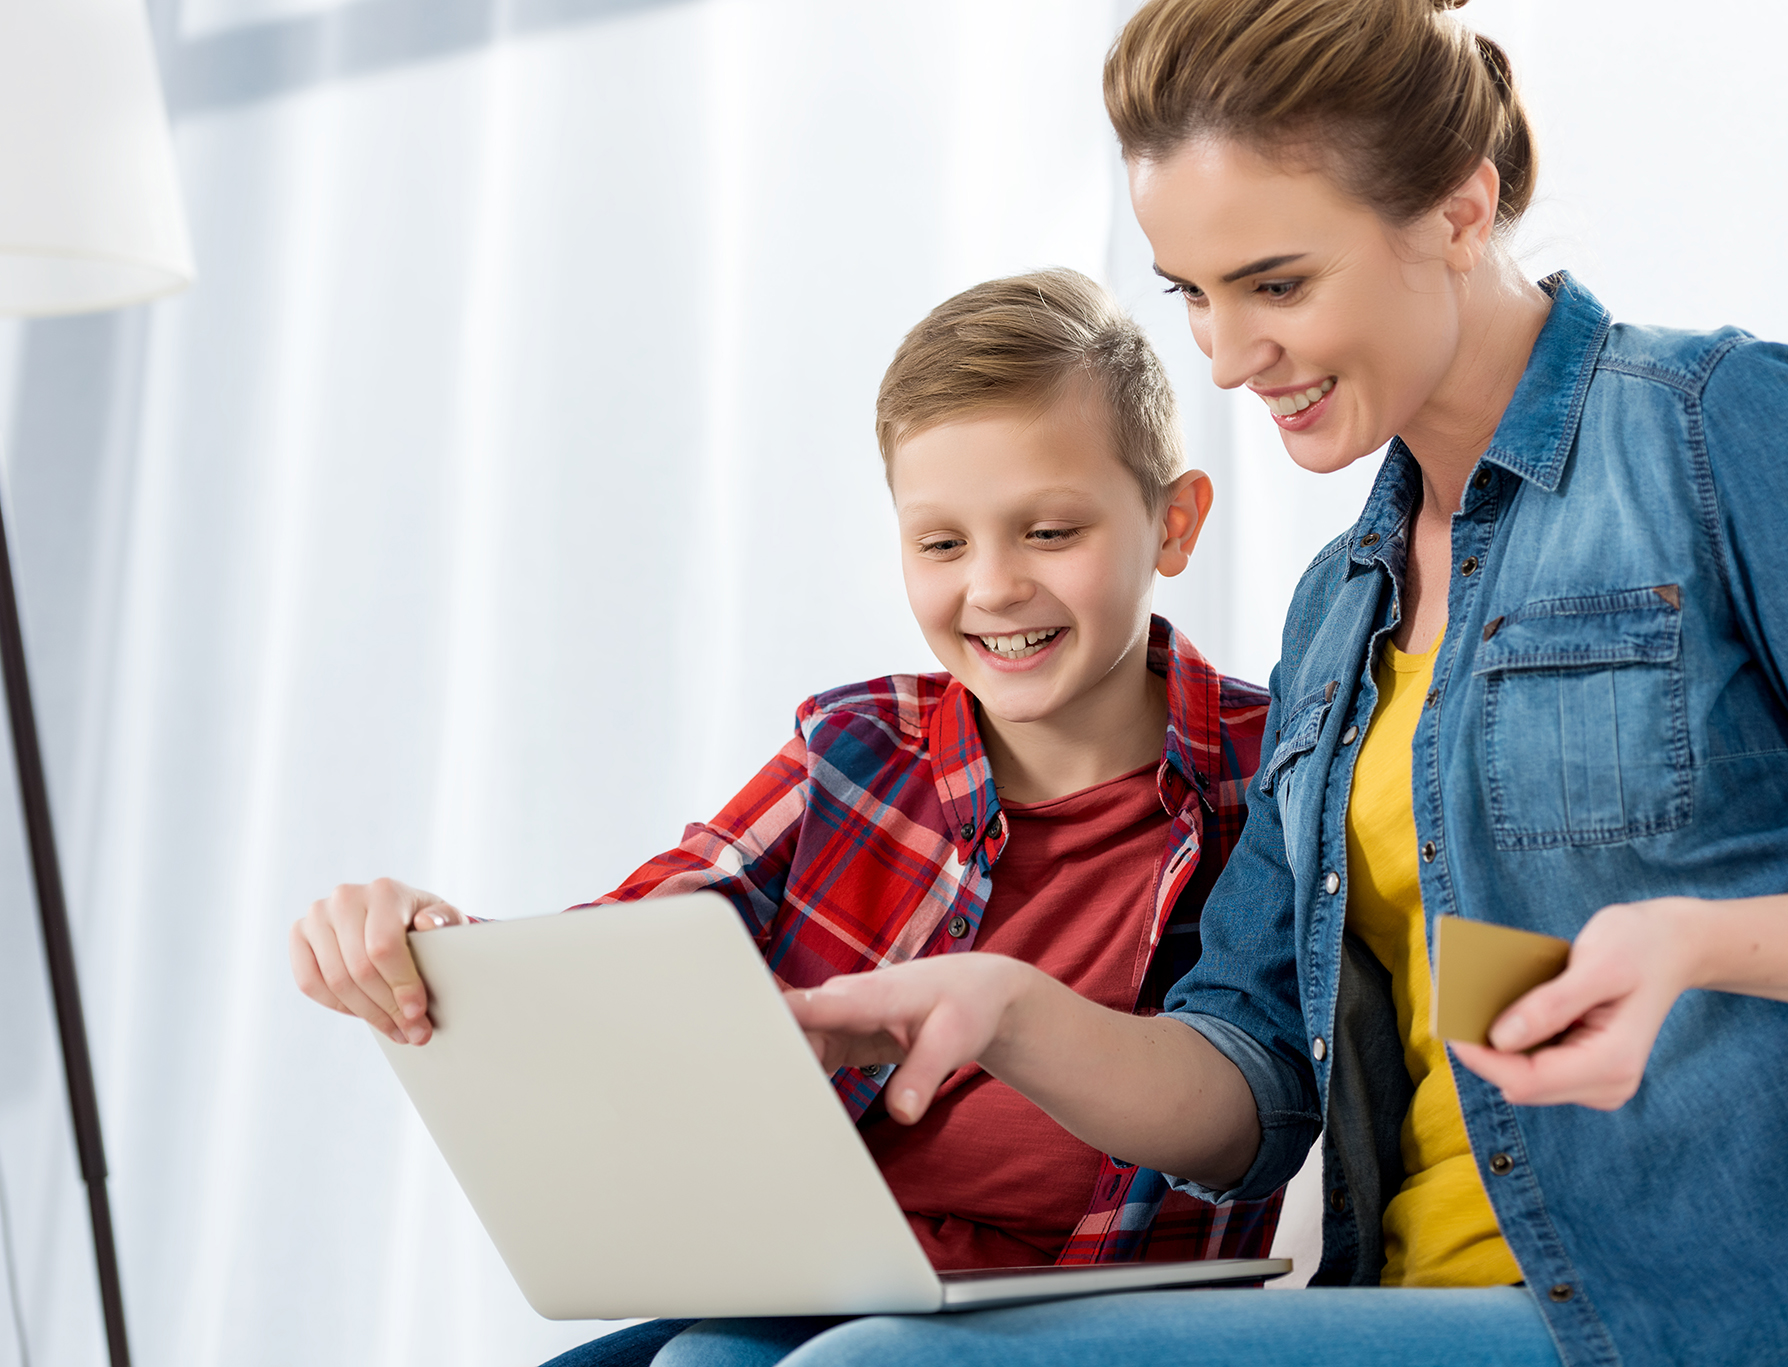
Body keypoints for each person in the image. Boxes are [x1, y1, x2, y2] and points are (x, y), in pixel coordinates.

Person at [770, 2, 1788, 1365]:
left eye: (1276, 283)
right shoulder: (1338, 609)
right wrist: (1008, 1010)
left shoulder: (1717, 428)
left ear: (1457, 207)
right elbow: (1250, 1079)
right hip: (1412, 1301)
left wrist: (1694, 942)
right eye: (1191, 294)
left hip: (1703, 1320)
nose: (1224, 357)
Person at [285, 268, 1282, 1367]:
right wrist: (429, 940)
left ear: (1173, 523)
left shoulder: (1273, 771)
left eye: (1048, 531)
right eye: (940, 544)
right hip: (813, 1292)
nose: (991, 586)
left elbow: (1261, 1090)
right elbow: (632, 949)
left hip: (1095, 1317)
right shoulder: (855, 751)